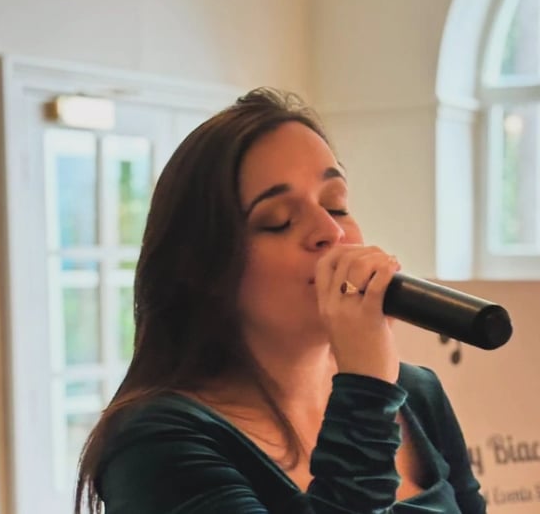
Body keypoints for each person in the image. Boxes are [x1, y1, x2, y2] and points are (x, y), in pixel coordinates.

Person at [75, 87, 487, 513]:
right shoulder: (155, 443)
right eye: (280, 221)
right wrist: (366, 394)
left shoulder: (417, 393)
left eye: (336, 205)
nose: (330, 231)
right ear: (205, 270)